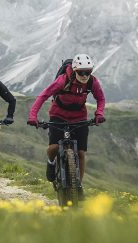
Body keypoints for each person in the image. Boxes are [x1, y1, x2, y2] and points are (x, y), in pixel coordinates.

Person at [27, 54, 105, 198]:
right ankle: (51, 162)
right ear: (74, 70)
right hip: (58, 115)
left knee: (81, 153)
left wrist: (99, 114)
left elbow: (100, 98)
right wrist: (33, 116)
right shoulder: (62, 80)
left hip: (79, 117)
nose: (84, 75)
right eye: (81, 72)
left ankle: (78, 185)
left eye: (88, 72)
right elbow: (43, 96)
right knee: (54, 148)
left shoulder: (92, 82)